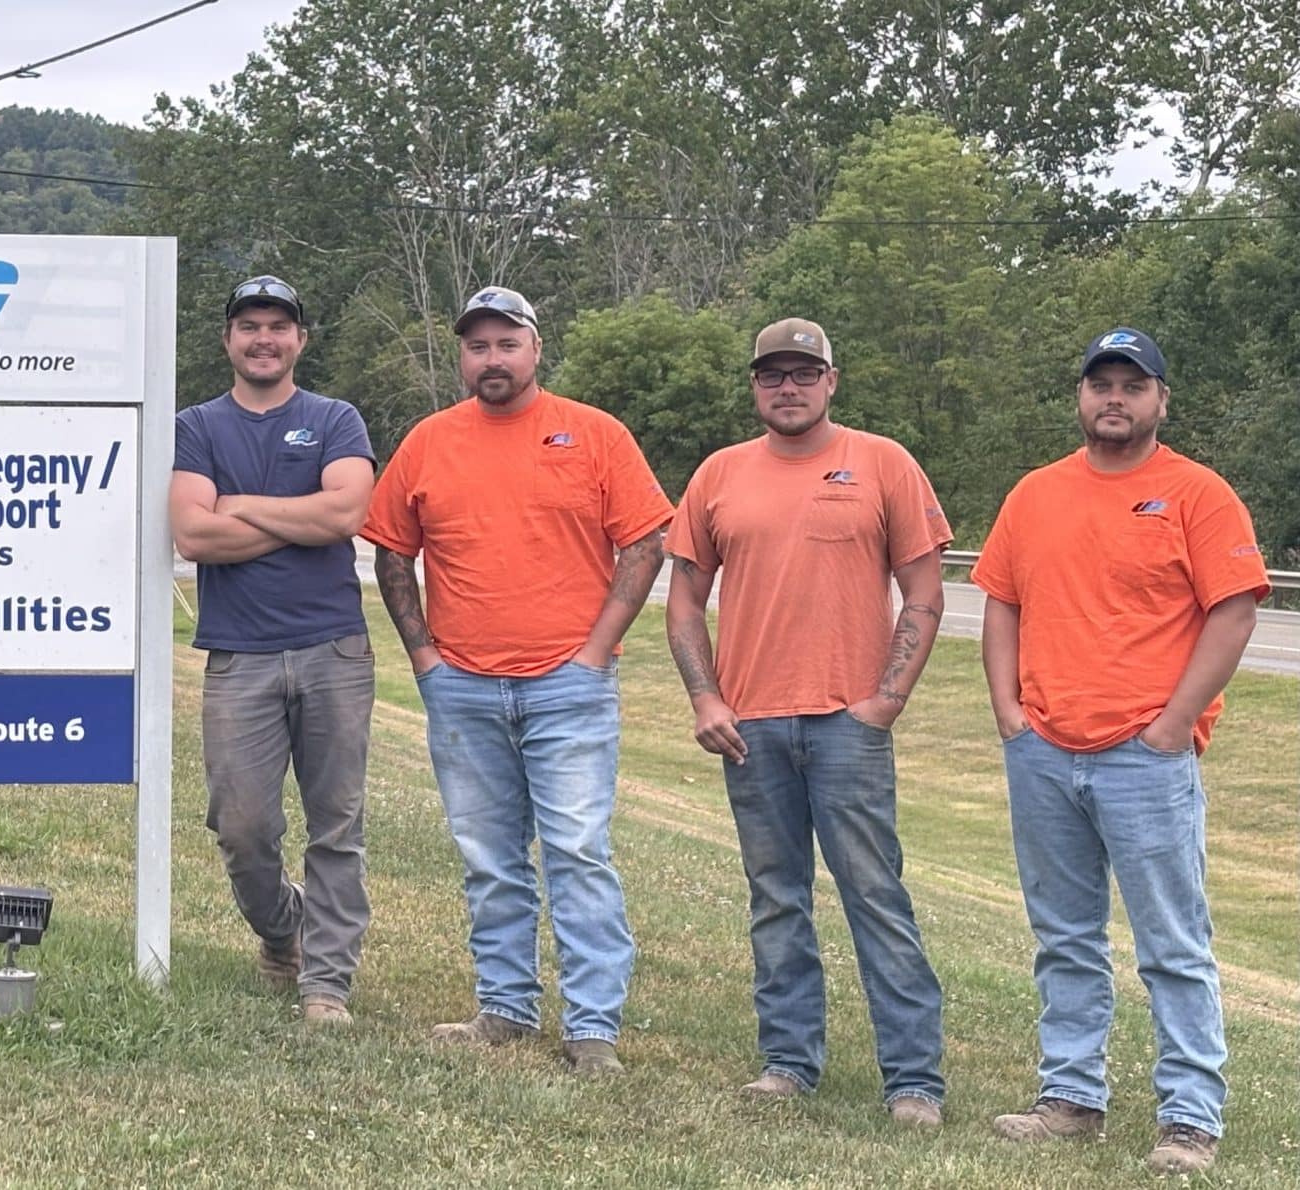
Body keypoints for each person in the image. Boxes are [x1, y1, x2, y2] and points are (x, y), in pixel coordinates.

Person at [974, 328, 1266, 1175]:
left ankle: (1189, 1118)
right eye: (1100, 384)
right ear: (1081, 397)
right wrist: (1008, 713)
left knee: (1172, 943)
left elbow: (1236, 610)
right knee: (1064, 935)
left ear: (1160, 401)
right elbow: (1000, 600)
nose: (1114, 398)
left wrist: (1175, 724)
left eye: (1132, 386)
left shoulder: (1197, 494)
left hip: (1145, 757)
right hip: (1043, 751)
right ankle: (1070, 1098)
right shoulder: (1035, 494)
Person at [360, 285, 672, 1075]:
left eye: (507, 343)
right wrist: (424, 657)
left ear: (536, 348)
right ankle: (504, 1007)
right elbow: (392, 551)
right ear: (462, 356)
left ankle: (593, 1026)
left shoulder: (595, 434)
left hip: (568, 685)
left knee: (576, 849)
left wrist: (597, 651)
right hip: (461, 683)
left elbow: (644, 544)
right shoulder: (430, 441)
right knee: (489, 855)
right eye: (477, 346)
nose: (491, 359)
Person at [664, 318, 951, 1126]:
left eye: (803, 373)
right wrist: (706, 697)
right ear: (755, 386)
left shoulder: (883, 462)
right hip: (749, 728)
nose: (786, 388)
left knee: (875, 896)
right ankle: (789, 1062)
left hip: (845, 727)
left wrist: (883, 702)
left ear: (832, 379)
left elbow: (925, 594)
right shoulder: (719, 475)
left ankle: (914, 1081)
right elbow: (684, 601)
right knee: (776, 899)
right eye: (771, 375)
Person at [168, 276, 376, 1026]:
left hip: (333, 650)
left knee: (336, 824)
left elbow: (349, 510)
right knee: (242, 824)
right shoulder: (197, 426)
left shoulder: (335, 418)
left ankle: (327, 984)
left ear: (300, 340)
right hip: (238, 655)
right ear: (227, 340)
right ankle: (283, 930)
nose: (264, 338)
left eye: (278, 327)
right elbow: (193, 535)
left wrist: (243, 506)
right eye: (249, 326)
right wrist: (303, 518)